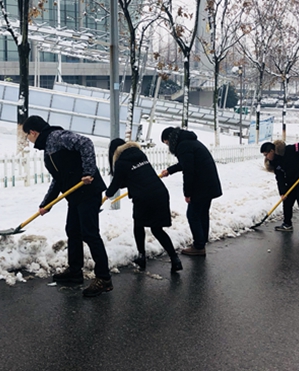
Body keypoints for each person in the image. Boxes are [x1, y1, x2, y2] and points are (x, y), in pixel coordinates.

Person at [22, 115, 112, 297]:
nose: (28, 139)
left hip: (88, 191)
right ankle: (75, 271)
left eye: (27, 135)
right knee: (72, 231)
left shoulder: (57, 137)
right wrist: (46, 204)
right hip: (75, 195)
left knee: (90, 233)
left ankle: (104, 278)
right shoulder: (48, 147)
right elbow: (59, 179)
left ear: (33, 132)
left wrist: (88, 172)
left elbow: (86, 143)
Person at [106, 139, 183, 273]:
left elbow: (116, 184)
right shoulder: (139, 154)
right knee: (157, 229)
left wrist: (106, 194)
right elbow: (135, 176)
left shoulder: (121, 162)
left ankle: (142, 257)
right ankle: (175, 259)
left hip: (144, 196)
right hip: (160, 192)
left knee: (138, 225)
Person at [160, 127, 222, 256]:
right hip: (208, 183)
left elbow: (189, 171)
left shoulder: (183, 146)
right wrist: (169, 170)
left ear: (170, 139)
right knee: (202, 214)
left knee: (193, 215)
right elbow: (186, 163)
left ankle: (199, 246)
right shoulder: (188, 142)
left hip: (201, 185)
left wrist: (187, 193)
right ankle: (201, 242)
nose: (167, 146)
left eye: (166, 143)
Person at [260, 140, 299, 235]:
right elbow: (279, 178)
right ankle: (287, 224)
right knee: (287, 202)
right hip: (291, 182)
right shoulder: (275, 162)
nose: (266, 157)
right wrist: (282, 192)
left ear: (272, 151)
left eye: (266, 154)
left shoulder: (289, 150)